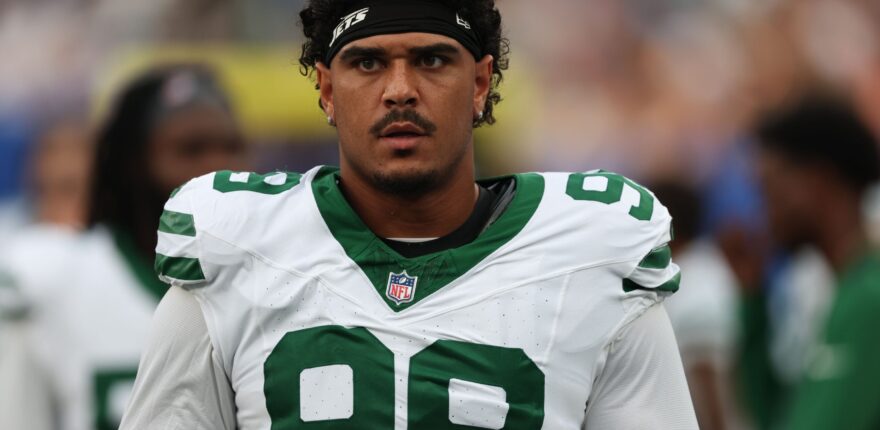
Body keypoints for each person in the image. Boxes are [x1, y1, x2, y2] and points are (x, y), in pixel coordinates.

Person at [121, 1, 698, 428]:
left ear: (479, 83)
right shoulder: (235, 249)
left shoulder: (592, 255)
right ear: (327, 89)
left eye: (431, 59)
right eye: (367, 62)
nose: (400, 90)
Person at [0, 64, 247, 430]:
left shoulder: (276, 276)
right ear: (133, 162)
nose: (218, 168)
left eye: (231, 147)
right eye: (191, 149)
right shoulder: (52, 276)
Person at [754, 96, 880, 430]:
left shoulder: (869, 299)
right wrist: (751, 306)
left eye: (770, 191)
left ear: (818, 181)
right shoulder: (843, 287)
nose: (763, 214)